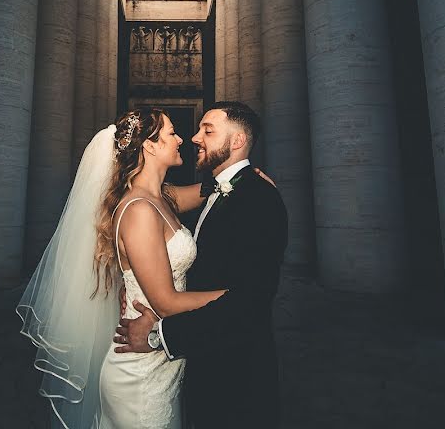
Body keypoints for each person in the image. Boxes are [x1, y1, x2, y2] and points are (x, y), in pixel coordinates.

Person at [17, 107, 272, 427]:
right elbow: (165, 301)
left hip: (166, 360)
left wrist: (244, 178)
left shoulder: (163, 198)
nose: (183, 139)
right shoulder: (138, 209)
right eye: (171, 133)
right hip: (141, 368)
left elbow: (211, 190)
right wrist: (239, 296)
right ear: (150, 146)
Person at [114, 101, 288, 428]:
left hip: (237, 375)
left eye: (207, 130)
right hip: (198, 359)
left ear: (236, 142)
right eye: (175, 132)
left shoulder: (257, 200)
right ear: (149, 146)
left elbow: (251, 301)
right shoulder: (158, 201)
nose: (191, 137)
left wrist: (156, 334)